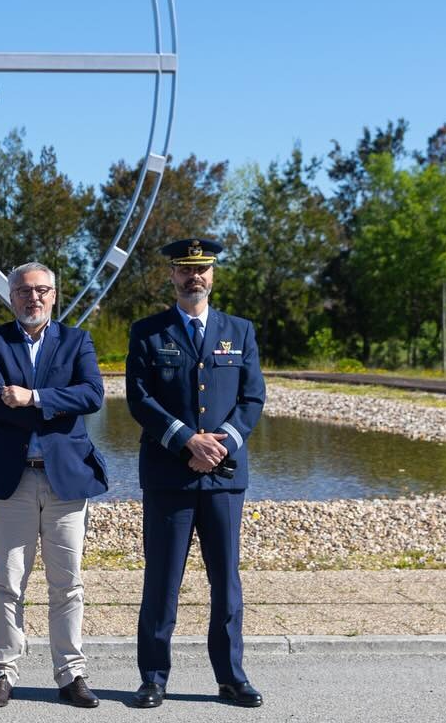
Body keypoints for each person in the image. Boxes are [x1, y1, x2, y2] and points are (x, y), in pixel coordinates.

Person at [0, 262, 107, 709]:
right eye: (23, 291)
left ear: (54, 295)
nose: (32, 298)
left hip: (65, 480)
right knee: (8, 583)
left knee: (68, 583)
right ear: (11, 297)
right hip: (13, 478)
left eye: (41, 290)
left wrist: (34, 397)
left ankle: (71, 673)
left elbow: (92, 395)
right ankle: (2, 673)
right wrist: (56, 403)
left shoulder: (77, 340)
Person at [126, 238, 267, 709]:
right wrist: (187, 439)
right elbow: (140, 399)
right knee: (162, 581)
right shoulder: (148, 332)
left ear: (213, 274)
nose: (195, 277)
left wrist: (217, 443)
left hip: (224, 478)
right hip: (169, 475)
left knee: (226, 582)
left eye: (202, 269)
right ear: (171, 275)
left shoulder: (240, 331)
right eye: (186, 269)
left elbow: (252, 400)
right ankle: (153, 677)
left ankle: (231, 677)